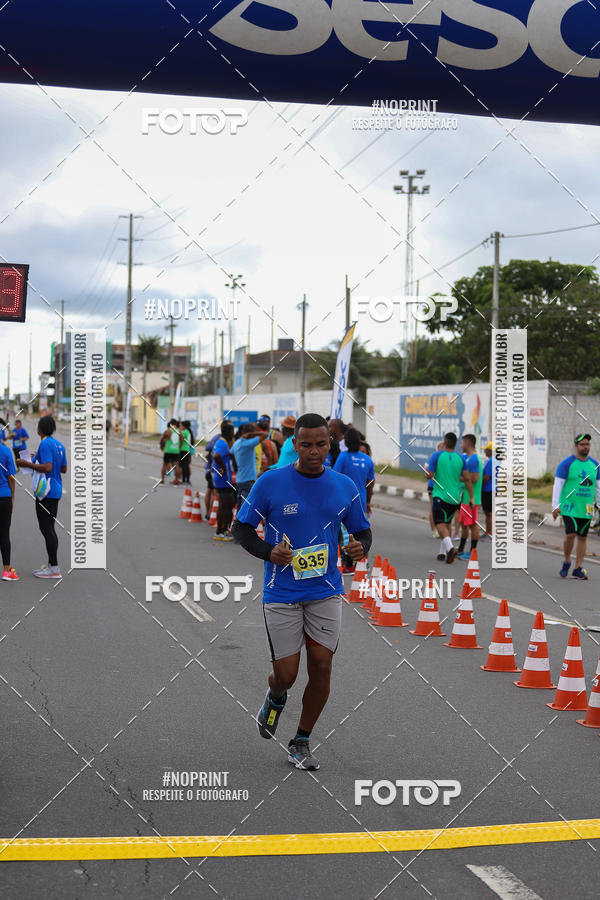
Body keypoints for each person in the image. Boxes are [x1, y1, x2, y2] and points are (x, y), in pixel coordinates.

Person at [232, 413, 372, 771]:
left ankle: (301, 741)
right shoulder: (270, 482)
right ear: (294, 444)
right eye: (306, 445)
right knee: (287, 675)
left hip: (325, 590)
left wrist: (360, 548)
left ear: (330, 444)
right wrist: (269, 552)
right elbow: (241, 529)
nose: (314, 452)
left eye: (321, 444)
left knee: (322, 666)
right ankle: (275, 696)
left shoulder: (343, 486)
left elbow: (362, 531)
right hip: (282, 593)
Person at [17, 415, 67, 578]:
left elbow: (47, 467)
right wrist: (36, 458)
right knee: (49, 527)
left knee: (47, 528)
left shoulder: (45, 443)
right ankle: (52, 565)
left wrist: (26, 463)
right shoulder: (59, 444)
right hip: (56, 490)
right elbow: (63, 468)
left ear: (40, 429)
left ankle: (54, 568)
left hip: (46, 491)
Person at [552, 433, 600, 580]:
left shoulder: (595, 465)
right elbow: (558, 485)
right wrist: (555, 505)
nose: (585, 447)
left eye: (587, 444)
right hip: (569, 506)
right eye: (582, 444)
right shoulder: (567, 464)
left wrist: (599, 504)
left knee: (583, 537)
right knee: (571, 534)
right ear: (576, 446)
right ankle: (567, 561)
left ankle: (578, 568)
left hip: (586, 508)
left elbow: (598, 487)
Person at [426, 432, 473, 564]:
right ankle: (442, 552)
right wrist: (472, 497)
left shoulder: (437, 455)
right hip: (455, 498)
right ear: (456, 443)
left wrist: (426, 473)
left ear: (445, 442)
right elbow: (467, 479)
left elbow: (429, 475)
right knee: (447, 523)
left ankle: (451, 549)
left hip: (440, 496)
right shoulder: (461, 458)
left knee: (439, 523)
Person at [231, 423, 269, 514]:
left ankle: (238, 522)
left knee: (240, 507)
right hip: (248, 480)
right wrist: (253, 434)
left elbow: (231, 453)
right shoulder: (248, 444)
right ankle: (241, 523)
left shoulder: (237, 443)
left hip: (239, 479)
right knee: (246, 508)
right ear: (250, 434)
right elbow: (265, 435)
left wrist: (236, 466)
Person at [457, 433, 483, 560]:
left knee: (472, 525)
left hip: (471, 499)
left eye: (462, 443)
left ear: (467, 444)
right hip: (465, 497)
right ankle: (461, 549)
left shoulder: (473, 459)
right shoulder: (468, 458)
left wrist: (459, 478)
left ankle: (473, 551)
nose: (461, 445)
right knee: (464, 524)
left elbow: (475, 478)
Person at [212, 421, 236, 541]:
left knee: (228, 504)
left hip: (224, 480)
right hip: (223, 480)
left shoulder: (222, 442)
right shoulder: (222, 443)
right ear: (228, 432)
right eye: (232, 431)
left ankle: (224, 530)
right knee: (224, 506)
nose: (233, 434)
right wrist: (223, 467)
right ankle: (220, 531)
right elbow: (216, 456)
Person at [0, 438, 18, 581]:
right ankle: (6, 571)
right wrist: (12, 498)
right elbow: (11, 477)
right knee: (4, 534)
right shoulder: (6, 451)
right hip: (4, 496)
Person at [425, 442, 445, 538]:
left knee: (442, 509)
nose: (444, 449)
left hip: (442, 487)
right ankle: (434, 530)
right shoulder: (434, 457)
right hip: (433, 486)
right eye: (442, 447)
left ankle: (441, 529)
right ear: (439, 448)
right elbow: (426, 468)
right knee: (433, 508)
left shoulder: (445, 458)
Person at [480, 442, 498, 540]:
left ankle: (490, 533)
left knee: (489, 513)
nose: (484, 451)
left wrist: (479, 486)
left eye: (486, 449)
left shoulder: (491, 461)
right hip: (491, 489)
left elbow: (487, 477)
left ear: (490, 451)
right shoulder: (494, 461)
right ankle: (488, 532)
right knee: (488, 512)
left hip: (488, 489)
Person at [159, 419, 182, 484]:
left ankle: (162, 479)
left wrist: (162, 447)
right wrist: (179, 448)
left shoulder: (168, 431)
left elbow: (162, 440)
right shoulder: (179, 432)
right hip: (175, 451)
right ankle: (176, 479)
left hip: (168, 450)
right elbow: (182, 441)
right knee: (176, 466)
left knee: (164, 465)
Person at [179, 420, 194, 485]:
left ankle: (183, 480)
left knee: (183, 466)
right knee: (186, 465)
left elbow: (180, 439)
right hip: (187, 450)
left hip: (183, 450)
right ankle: (187, 480)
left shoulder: (184, 432)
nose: (180, 427)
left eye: (181, 425)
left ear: (184, 426)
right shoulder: (188, 432)